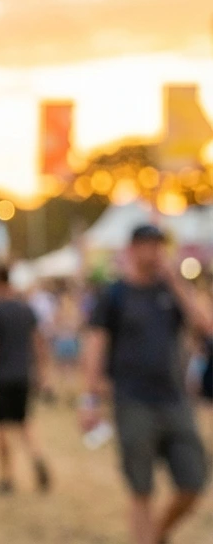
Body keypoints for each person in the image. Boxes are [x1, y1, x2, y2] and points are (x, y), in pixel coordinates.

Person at [81, 224, 213, 544]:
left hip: (174, 400)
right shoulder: (115, 294)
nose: (154, 251)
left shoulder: (170, 291)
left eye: (158, 245)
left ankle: (156, 535)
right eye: (147, 245)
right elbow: (96, 344)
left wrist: (175, 281)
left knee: (193, 481)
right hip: (132, 401)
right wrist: (90, 398)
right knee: (141, 490)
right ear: (132, 249)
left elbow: (204, 326)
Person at [0, 265, 50, 494]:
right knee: (24, 422)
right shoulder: (26, 309)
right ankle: (37, 457)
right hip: (23, 374)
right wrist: (41, 372)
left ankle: (6, 477)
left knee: (0, 427)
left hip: (0, 375)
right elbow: (39, 343)